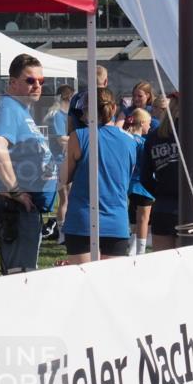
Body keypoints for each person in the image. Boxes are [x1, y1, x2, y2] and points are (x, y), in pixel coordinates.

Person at [0, 54, 57, 274]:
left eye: (41, 82)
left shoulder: (21, 111)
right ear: (12, 83)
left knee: (22, 273)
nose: (37, 85)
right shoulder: (8, 107)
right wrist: (15, 190)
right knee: (20, 275)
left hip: (22, 205)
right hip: (12, 206)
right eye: (30, 80)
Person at [62, 89, 137, 263]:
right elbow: (126, 177)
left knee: (83, 284)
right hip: (116, 220)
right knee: (110, 286)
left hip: (82, 221)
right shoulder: (130, 140)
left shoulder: (79, 136)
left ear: (85, 110)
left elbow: (63, 177)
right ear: (114, 108)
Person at [141, 94, 182, 251]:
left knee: (164, 269)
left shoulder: (153, 136)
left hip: (162, 209)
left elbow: (145, 177)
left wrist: (161, 192)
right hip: (190, 210)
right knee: (187, 269)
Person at [44, 85, 73, 243]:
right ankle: (62, 234)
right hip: (59, 161)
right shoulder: (56, 115)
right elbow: (60, 139)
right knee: (65, 199)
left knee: (69, 198)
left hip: (68, 160)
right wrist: (78, 139)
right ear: (68, 97)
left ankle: (65, 232)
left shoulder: (66, 115)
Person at [124, 108, 154, 255]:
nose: (150, 126)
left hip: (129, 185)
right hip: (142, 185)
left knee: (135, 219)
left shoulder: (126, 138)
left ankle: (132, 247)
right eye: (148, 123)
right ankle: (140, 252)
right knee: (143, 218)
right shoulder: (142, 142)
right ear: (142, 123)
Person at [68, 64, 109, 133]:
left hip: (79, 139)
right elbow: (110, 125)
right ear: (106, 81)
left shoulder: (76, 98)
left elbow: (70, 125)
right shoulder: (107, 99)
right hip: (101, 140)